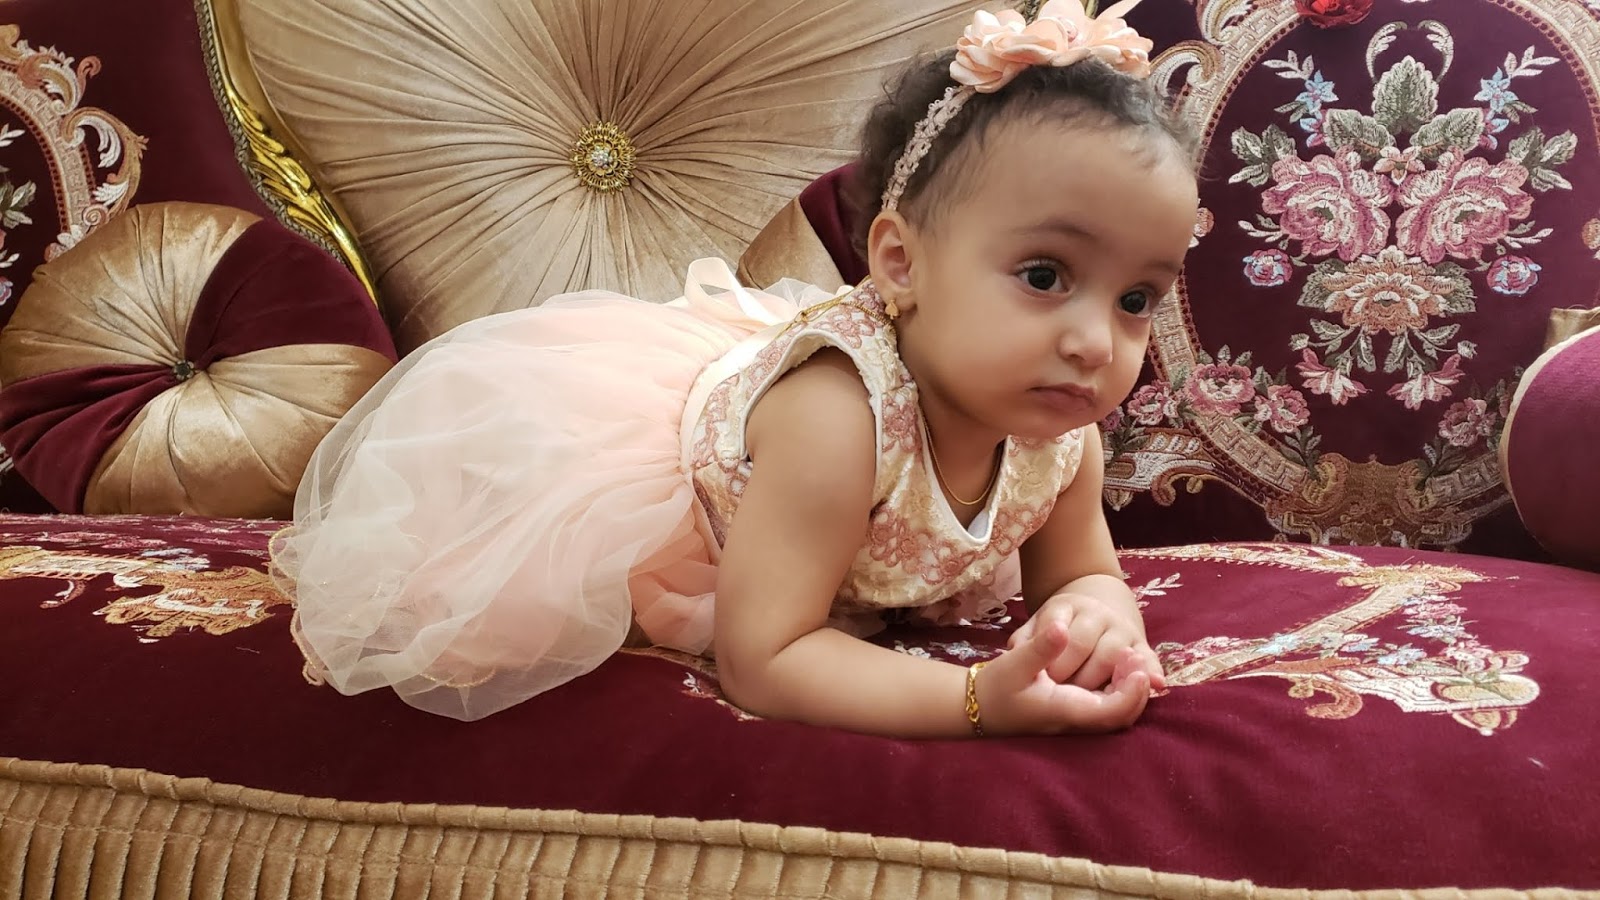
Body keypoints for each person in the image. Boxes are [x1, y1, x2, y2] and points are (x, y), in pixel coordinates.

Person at [271, 0, 1201, 737]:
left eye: (1135, 298)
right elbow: (767, 660)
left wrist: (1097, 622)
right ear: (900, 264)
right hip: (679, 504)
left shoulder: (1058, 436)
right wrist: (977, 701)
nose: (1096, 341)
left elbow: (1081, 575)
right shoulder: (836, 420)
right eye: (1044, 276)